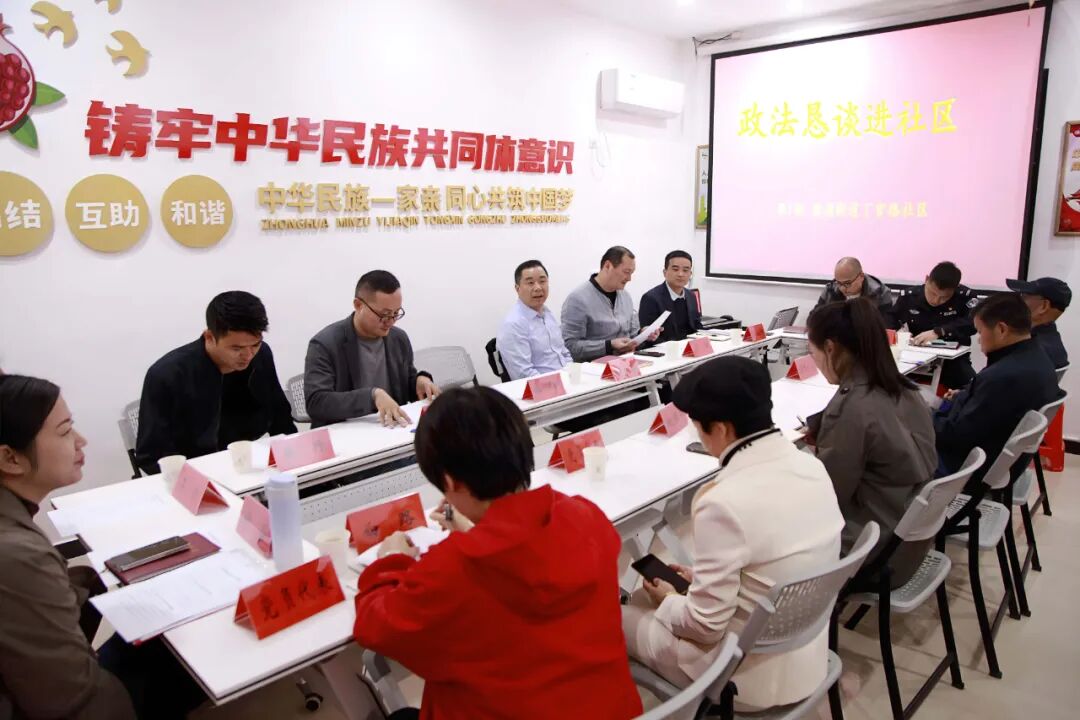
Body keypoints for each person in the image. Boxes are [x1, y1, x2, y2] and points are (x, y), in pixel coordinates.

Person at [353, 386, 642, 720]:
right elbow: (525, 556)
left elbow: (375, 627)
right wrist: (478, 530)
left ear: (450, 481)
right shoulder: (584, 516)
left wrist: (392, 559)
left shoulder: (456, 567)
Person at [622, 356, 843, 712]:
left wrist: (669, 600)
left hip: (745, 679)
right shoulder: (812, 466)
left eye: (698, 427)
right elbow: (769, 562)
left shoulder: (722, 502)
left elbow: (704, 626)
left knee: (620, 614)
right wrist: (699, 581)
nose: (698, 436)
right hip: (808, 657)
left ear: (721, 429)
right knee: (651, 601)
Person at [0, 375, 204, 719]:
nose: (81, 441)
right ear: (10, 458)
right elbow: (68, 697)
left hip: (56, 677)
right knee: (186, 645)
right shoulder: (17, 555)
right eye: (65, 431)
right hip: (74, 699)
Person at [806, 299, 937, 587]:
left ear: (830, 348)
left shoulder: (852, 409)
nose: (813, 360)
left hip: (871, 553)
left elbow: (828, 497)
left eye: (811, 351)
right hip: (907, 539)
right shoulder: (906, 389)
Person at [135, 291, 296, 475]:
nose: (248, 355)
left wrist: (294, 464)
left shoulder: (261, 355)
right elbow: (151, 455)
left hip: (247, 465)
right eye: (236, 348)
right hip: (195, 473)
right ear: (209, 337)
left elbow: (280, 417)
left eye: (255, 345)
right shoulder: (167, 374)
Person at [935, 293, 1060, 484]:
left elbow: (957, 436)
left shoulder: (1003, 377)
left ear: (1001, 329)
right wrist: (964, 396)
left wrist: (924, 419)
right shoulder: (1036, 358)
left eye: (980, 332)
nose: (979, 340)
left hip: (966, 466)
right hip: (994, 455)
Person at [305, 270, 439, 428]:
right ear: (358, 305)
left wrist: (419, 381)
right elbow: (317, 402)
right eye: (384, 314)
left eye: (396, 313)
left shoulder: (398, 338)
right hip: (347, 432)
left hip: (391, 428)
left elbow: (405, 381)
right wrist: (372, 397)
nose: (390, 322)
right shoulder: (325, 344)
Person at [888, 261, 978, 389]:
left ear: (956, 288)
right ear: (926, 280)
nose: (936, 300)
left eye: (944, 297)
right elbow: (890, 319)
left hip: (952, 361)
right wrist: (897, 335)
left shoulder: (965, 298)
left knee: (973, 387)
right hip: (915, 357)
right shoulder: (910, 297)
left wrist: (939, 331)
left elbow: (972, 324)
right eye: (932, 293)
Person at [561, 246, 660, 361]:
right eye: (626, 272)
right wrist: (609, 345)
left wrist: (643, 334)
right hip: (595, 367)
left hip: (627, 363)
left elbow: (632, 334)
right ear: (608, 266)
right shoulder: (577, 299)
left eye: (631, 273)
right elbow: (570, 347)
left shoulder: (625, 296)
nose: (629, 278)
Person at [495, 259, 573, 380]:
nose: (538, 288)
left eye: (542, 281)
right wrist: (559, 384)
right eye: (530, 283)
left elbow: (564, 353)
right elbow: (524, 373)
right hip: (542, 387)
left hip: (567, 381)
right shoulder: (513, 324)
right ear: (517, 288)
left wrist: (572, 376)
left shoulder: (547, 314)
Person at [638, 250, 703, 344]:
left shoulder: (691, 296)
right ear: (665, 272)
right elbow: (648, 337)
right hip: (664, 349)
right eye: (675, 269)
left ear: (690, 274)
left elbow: (696, 326)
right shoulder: (651, 298)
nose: (680, 274)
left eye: (685, 270)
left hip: (689, 347)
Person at [1007, 276, 1071, 368]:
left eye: (1024, 297)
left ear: (1044, 306)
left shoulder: (1031, 351)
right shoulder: (1050, 343)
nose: (1017, 302)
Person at [813, 256, 894, 317]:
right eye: (839, 283)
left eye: (847, 283)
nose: (842, 288)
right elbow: (814, 317)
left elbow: (885, 327)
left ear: (861, 276)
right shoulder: (830, 289)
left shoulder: (881, 293)